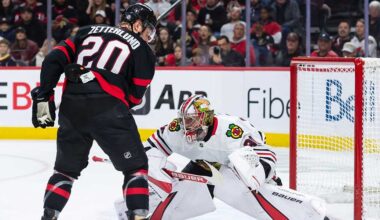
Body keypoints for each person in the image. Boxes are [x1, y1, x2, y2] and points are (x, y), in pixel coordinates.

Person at [31, 3, 157, 220]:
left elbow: (53, 60)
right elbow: (134, 99)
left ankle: (49, 216)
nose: (149, 36)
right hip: (110, 109)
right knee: (136, 168)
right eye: (148, 30)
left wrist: (44, 94)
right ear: (137, 25)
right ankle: (138, 216)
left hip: (72, 107)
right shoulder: (143, 50)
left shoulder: (86, 31)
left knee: (64, 171)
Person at [116, 94, 329, 219]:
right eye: (183, 120)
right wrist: (155, 168)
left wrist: (255, 175)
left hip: (236, 173)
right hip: (205, 169)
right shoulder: (175, 130)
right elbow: (150, 148)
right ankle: (139, 211)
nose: (184, 125)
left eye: (191, 120)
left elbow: (266, 154)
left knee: (259, 197)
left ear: (206, 119)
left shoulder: (232, 130)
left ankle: (306, 211)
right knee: (177, 195)